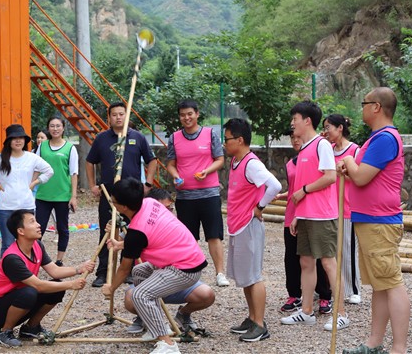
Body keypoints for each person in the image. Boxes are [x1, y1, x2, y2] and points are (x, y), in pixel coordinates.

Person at [338, 88, 410, 354]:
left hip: (380, 221)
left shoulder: (384, 138)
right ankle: (374, 342)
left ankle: (399, 348)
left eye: (364, 103)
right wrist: (350, 167)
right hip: (371, 219)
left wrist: (348, 160)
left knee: (391, 282)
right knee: (381, 284)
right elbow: (363, 175)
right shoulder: (378, 138)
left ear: (376, 107)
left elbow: (361, 177)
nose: (362, 108)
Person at [102, 177, 208, 354]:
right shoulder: (150, 203)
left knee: (140, 295)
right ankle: (156, 327)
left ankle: (168, 345)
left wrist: (111, 288)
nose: (113, 204)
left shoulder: (136, 232)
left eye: (114, 202)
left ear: (124, 207)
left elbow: (124, 269)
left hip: (185, 269)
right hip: (187, 257)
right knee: (139, 271)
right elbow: (151, 235)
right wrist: (122, 244)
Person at [0, 209, 95, 348]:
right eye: (32, 222)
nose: (38, 225)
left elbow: (55, 271)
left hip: (18, 299)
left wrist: (79, 269)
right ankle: (4, 332)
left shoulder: (37, 245)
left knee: (56, 288)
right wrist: (71, 285)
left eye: (36, 221)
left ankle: (31, 328)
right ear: (21, 231)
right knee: (30, 292)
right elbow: (38, 286)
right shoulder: (12, 258)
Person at [280, 101, 349, 332]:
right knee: (306, 263)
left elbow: (330, 176)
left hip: (322, 216)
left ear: (307, 120)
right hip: (306, 216)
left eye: (295, 119)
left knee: (328, 263)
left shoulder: (322, 145)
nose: (292, 123)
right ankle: (307, 311)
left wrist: (304, 190)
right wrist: (298, 215)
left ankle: (341, 314)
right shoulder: (304, 149)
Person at [116, 188, 215, 337]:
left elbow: (124, 266)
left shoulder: (169, 223)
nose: (167, 212)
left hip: (177, 275)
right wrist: (114, 232)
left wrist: (111, 288)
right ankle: (148, 320)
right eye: (164, 208)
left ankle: (173, 328)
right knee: (134, 293)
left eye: (170, 208)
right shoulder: (137, 227)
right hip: (154, 278)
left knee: (207, 294)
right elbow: (120, 245)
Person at [86, 102, 157, 287]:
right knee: (107, 231)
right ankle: (103, 272)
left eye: (121, 114)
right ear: (109, 117)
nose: (118, 117)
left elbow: (152, 160)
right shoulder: (102, 138)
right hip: (109, 193)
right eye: (114, 115)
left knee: (132, 232)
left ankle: (130, 270)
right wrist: (93, 185)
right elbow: (90, 161)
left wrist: (148, 184)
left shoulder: (137, 137)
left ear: (126, 116)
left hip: (132, 194)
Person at [223, 118, 281, 343]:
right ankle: (252, 318)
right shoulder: (236, 161)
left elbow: (275, 185)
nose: (225, 143)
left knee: (254, 276)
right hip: (238, 225)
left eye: (227, 139)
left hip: (248, 225)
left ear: (239, 140)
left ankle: (260, 324)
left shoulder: (251, 163)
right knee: (245, 276)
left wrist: (259, 207)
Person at [165, 100, 228, 287]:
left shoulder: (210, 134)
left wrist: (206, 171)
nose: (186, 118)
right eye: (183, 115)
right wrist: (176, 176)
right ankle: (190, 274)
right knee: (188, 237)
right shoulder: (174, 138)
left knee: (214, 235)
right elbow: (171, 164)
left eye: (190, 114)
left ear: (197, 114)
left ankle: (220, 273)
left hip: (209, 194)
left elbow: (220, 159)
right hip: (185, 196)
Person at [276, 130, 333, 314]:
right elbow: (295, 189)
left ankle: (325, 296)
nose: (295, 140)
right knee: (292, 258)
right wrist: (283, 195)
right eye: (292, 137)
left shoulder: (316, 154)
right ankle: (295, 295)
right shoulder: (291, 164)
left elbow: (324, 180)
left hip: (313, 213)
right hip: (293, 213)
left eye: (298, 137)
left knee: (319, 258)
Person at [0, 124, 53, 257]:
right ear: (8, 141)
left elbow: (49, 171)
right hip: (5, 207)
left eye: (21, 138)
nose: (18, 141)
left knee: (28, 242)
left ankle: (27, 268)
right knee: (8, 243)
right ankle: (6, 269)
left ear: (25, 140)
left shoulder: (32, 157)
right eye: (14, 138)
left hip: (26, 205)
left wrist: (35, 182)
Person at [324, 114, 362, 305]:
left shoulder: (355, 150)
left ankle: (353, 289)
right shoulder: (327, 149)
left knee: (348, 248)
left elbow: (360, 177)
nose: (326, 131)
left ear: (340, 128)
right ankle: (334, 288)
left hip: (348, 206)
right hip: (329, 206)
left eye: (328, 127)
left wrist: (342, 174)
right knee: (331, 249)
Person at [34, 117, 78, 266]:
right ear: (48, 128)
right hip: (43, 194)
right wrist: (30, 186)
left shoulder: (70, 148)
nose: (55, 129)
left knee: (62, 228)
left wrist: (73, 196)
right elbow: (36, 168)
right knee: (38, 228)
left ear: (63, 128)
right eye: (52, 126)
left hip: (62, 195)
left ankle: (59, 260)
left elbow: (74, 173)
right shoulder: (42, 146)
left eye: (58, 126)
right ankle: (35, 258)